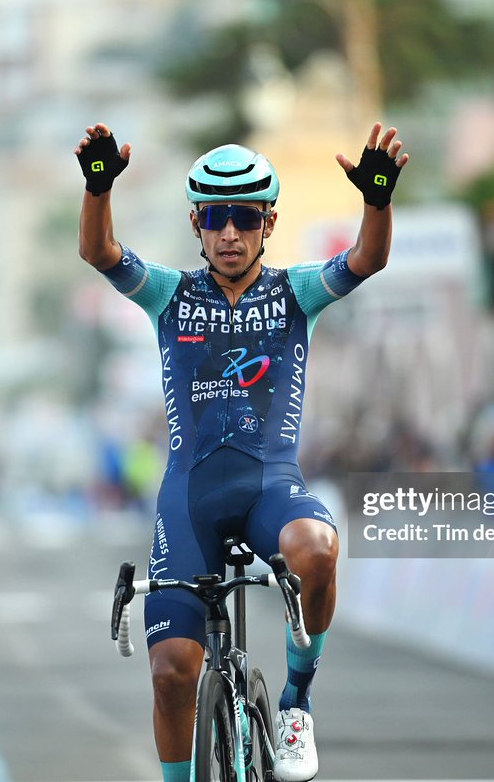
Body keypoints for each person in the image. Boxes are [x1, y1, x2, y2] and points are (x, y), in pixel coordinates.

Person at [76, 121, 408, 782]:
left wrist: (376, 203)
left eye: (246, 219)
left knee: (316, 548)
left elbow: (366, 260)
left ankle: (294, 702)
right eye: (216, 219)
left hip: (269, 488)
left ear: (269, 223)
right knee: (172, 672)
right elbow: (100, 252)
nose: (230, 233)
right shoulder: (169, 295)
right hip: (189, 501)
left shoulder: (297, 292)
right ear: (197, 224)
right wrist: (98, 188)